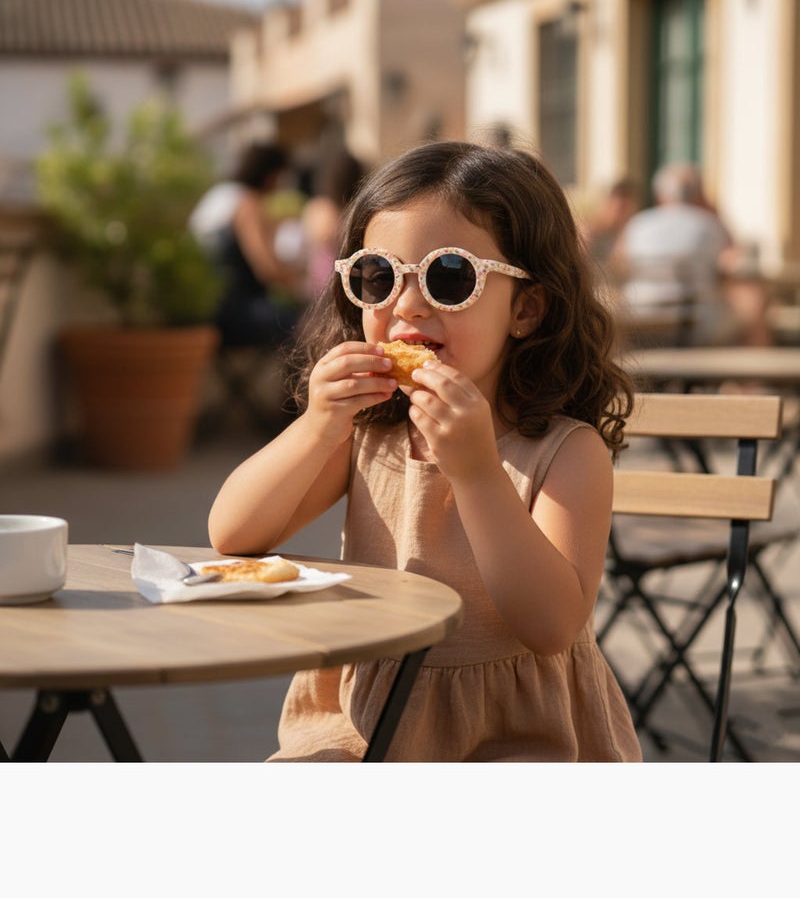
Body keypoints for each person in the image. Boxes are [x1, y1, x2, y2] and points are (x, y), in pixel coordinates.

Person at [207, 140, 641, 762]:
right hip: (363, 722)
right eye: (377, 276)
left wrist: (476, 472)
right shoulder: (366, 431)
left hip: (515, 737)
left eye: (449, 276)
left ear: (526, 307)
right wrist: (317, 426)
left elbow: (549, 626)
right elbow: (233, 533)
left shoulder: (567, 453)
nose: (406, 305)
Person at [611, 161, 742, 346]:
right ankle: (755, 371)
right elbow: (733, 261)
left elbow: (618, 264)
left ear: (660, 195)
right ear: (699, 194)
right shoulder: (710, 224)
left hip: (639, 319)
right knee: (749, 310)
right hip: (695, 325)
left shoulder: (637, 224)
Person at [189, 142, 305, 348]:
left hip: (202, 310)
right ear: (271, 175)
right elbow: (267, 269)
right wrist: (302, 288)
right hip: (234, 312)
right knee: (309, 324)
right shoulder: (247, 203)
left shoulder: (219, 196)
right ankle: (305, 381)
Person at [300, 146, 364, 298]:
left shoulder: (317, 208)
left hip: (319, 281)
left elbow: (306, 250)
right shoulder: (358, 211)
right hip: (353, 281)